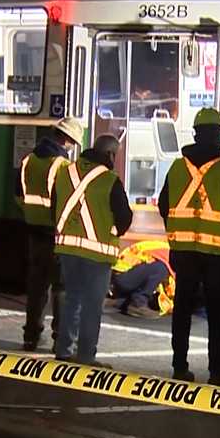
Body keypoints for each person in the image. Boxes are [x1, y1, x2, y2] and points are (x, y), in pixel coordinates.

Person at [157, 107, 220, 387]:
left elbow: (164, 206)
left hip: (184, 252)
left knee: (182, 309)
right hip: (215, 255)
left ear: (196, 135)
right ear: (218, 135)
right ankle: (217, 372)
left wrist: (176, 234)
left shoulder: (176, 167)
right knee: (216, 314)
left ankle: (179, 366)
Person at [53, 134, 133, 367]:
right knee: (91, 306)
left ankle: (64, 351)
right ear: (110, 154)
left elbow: (55, 207)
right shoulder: (109, 180)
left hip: (67, 249)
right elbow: (124, 218)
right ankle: (86, 356)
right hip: (97, 254)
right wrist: (112, 232)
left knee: (71, 300)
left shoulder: (65, 173)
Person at [16, 117, 82, 351]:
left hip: (33, 231)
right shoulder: (61, 166)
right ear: (66, 139)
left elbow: (18, 195)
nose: (73, 147)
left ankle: (30, 336)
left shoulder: (28, 160)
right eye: (73, 142)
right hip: (56, 233)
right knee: (61, 288)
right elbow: (65, 202)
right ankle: (60, 340)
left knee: (36, 286)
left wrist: (31, 214)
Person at [110, 240, 173, 319]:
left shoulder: (170, 249)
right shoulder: (170, 253)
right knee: (161, 269)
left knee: (159, 276)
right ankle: (138, 304)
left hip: (123, 276)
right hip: (123, 275)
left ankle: (122, 300)